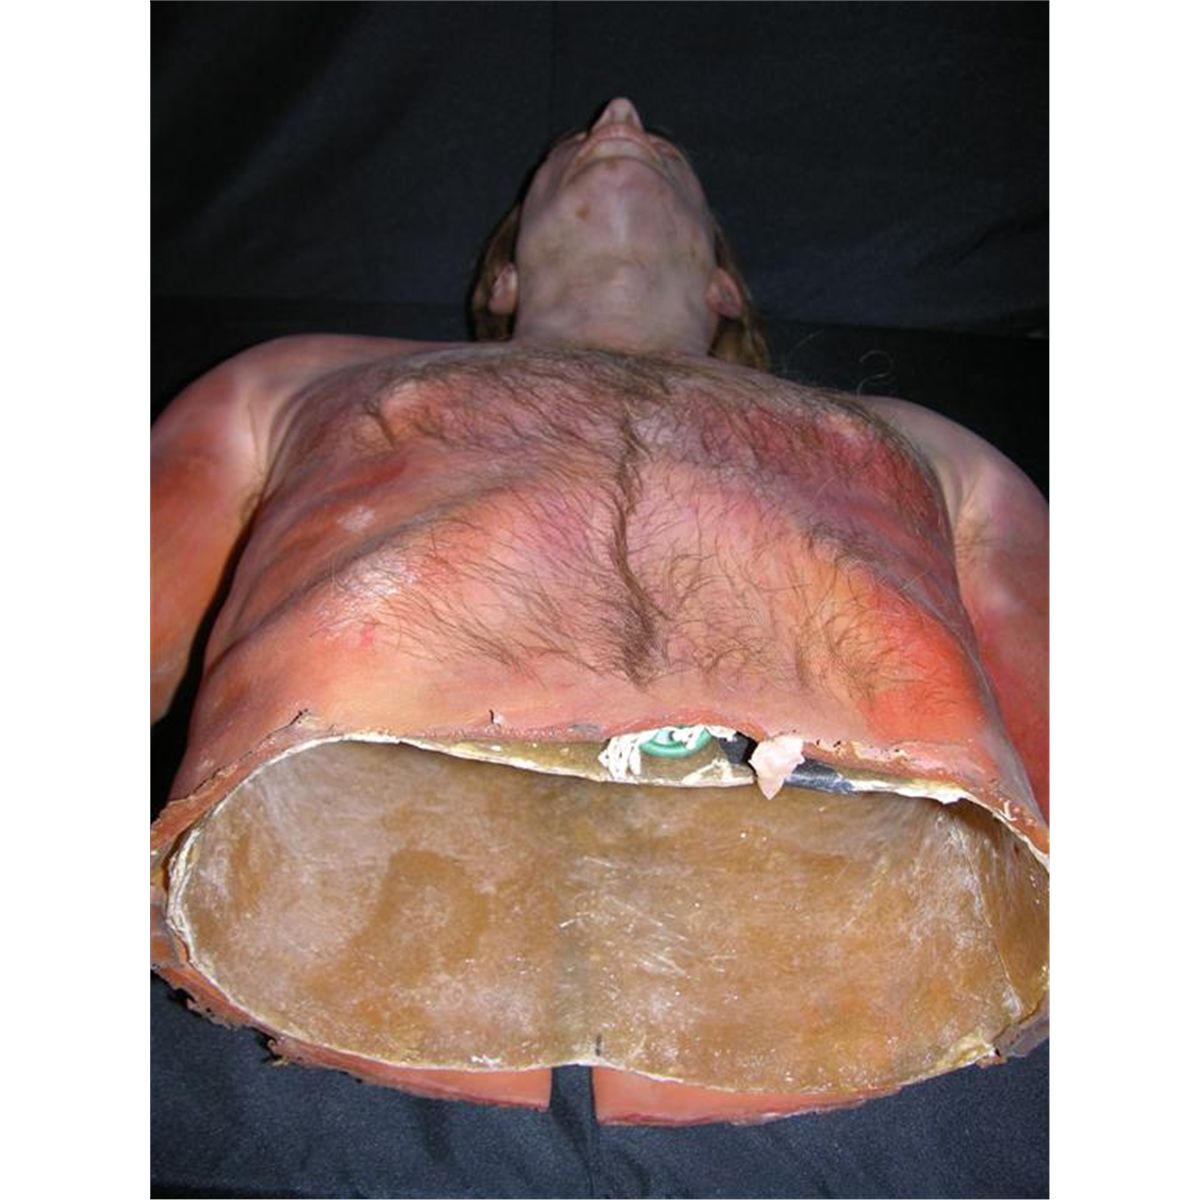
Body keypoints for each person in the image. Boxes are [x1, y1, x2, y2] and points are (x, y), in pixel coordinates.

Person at [151, 98, 1048, 1125]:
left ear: (722, 284)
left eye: (662, 146)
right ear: (503, 279)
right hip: (325, 894)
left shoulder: (926, 440)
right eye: (574, 144)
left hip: (884, 944)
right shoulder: (295, 377)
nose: (619, 112)